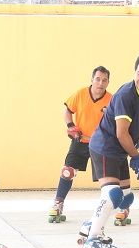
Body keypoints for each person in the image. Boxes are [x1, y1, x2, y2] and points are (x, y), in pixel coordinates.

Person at [80, 52, 139, 248]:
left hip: (121, 149)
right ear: (134, 72)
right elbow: (120, 133)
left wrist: (134, 143)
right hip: (106, 146)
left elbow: (134, 125)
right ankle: (93, 239)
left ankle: (91, 223)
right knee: (113, 194)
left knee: (126, 197)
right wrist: (135, 155)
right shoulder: (126, 94)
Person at [48, 66, 112, 223]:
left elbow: (117, 122)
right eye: (98, 79)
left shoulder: (112, 100)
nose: (100, 83)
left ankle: (122, 208)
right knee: (67, 172)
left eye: (104, 80)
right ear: (92, 80)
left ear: (108, 82)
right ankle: (58, 203)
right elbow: (67, 110)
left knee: (110, 179)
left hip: (100, 144)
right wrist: (70, 126)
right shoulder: (80, 94)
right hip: (80, 141)